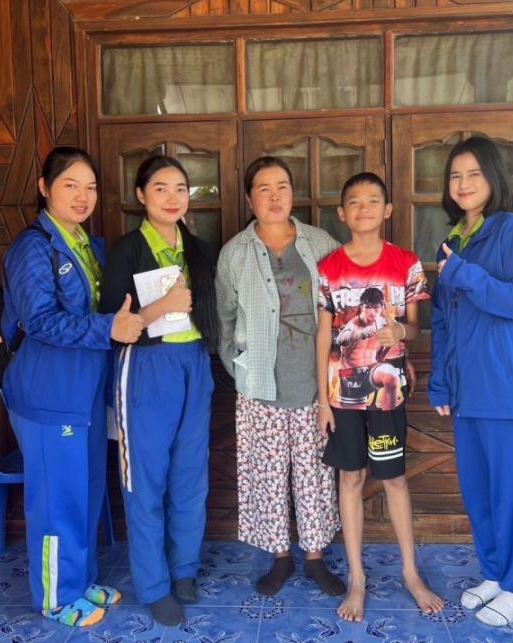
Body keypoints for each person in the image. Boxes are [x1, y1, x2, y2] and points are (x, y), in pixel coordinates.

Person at [1, 147, 144, 627]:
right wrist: (108, 328)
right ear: (44, 188)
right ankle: (57, 598)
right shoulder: (34, 247)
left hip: (84, 394)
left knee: (84, 492)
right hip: (48, 396)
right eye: (70, 185)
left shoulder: (86, 244)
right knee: (56, 501)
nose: (83, 196)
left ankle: (81, 581)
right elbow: (39, 320)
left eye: (91, 187)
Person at [429, 136, 513, 627]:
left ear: (494, 179)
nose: (463, 184)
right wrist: (440, 383)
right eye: (455, 175)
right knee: (479, 492)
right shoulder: (453, 240)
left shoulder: (511, 230)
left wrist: (464, 274)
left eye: (474, 174)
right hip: (467, 394)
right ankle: (494, 573)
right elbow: (442, 321)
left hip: (510, 391)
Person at [215, 156, 345, 599]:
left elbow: (342, 303)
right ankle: (279, 556)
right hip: (259, 386)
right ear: (249, 198)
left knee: (314, 476)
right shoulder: (234, 253)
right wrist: (240, 369)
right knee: (267, 477)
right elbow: (225, 321)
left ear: (293, 193)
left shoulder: (320, 243)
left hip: (313, 384)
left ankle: (315, 557)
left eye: (282, 187)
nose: (274, 197)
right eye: (264, 189)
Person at [316, 172, 444, 622]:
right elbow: (324, 335)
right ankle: (357, 578)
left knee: (394, 479)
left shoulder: (405, 263)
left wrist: (401, 334)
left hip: (387, 395)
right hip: (342, 395)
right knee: (349, 479)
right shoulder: (329, 268)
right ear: (342, 212)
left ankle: (411, 573)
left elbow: (416, 327)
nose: (364, 208)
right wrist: (321, 399)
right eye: (354, 201)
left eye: (373, 200)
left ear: (387, 210)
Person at [99, 154, 218, 627]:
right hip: (146, 367)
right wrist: (162, 306)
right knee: (146, 478)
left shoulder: (198, 249)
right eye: (161, 188)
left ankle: (184, 569)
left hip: (194, 364)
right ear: (141, 195)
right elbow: (112, 323)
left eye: (181, 189)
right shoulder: (127, 251)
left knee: (191, 473)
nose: (172, 198)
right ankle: (153, 585)